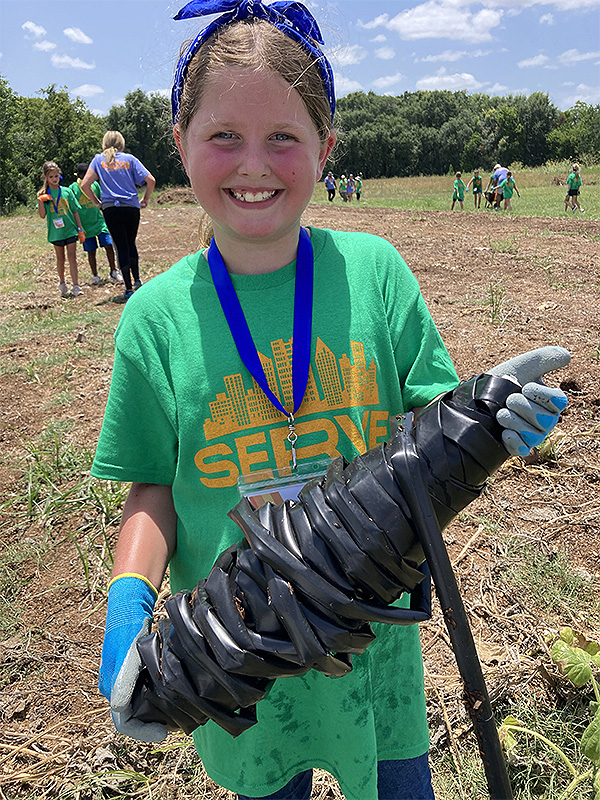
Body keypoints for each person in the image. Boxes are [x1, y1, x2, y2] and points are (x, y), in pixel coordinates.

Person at [92, 3, 566, 799]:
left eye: (285, 137)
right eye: (223, 137)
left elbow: (436, 428)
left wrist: (494, 418)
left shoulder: (375, 274)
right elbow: (151, 486)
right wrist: (128, 599)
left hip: (372, 645)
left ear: (326, 148)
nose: (256, 164)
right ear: (178, 147)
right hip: (241, 654)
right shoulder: (153, 319)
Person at [80, 132, 156, 300]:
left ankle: (128, 288)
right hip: (131, 207)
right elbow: (151, 180)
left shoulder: (99, 160)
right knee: (130, 243)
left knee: (120, 246)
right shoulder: (129, 159)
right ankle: (137, 280)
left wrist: (97, 202)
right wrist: (145, 198)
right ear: (121, 143)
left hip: (111, 209)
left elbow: (85, 185)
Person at [37, 160, 85, 297]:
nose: (54, 179)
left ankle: (76, 285)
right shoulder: (44, 195)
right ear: (46, 177)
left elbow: (75, 210)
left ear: (59, 176)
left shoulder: (67, 192)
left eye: (56, 176)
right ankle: (62, 283)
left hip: (70, 229)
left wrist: (80, 229)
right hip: (56, 233)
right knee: (60, 259)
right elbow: (42, 215)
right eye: (51, 177)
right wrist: (41, 201)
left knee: (72, 257)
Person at [69, 163, 120, 284]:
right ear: (80, 175)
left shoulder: (95, 185)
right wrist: (77, 227)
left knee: (108, 245)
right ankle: (95, 276)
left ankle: (113, 271)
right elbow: (72, 207)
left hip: (99, 222)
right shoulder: (73, 188)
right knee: (91, 251)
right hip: (85, 226)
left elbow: (102, 199)